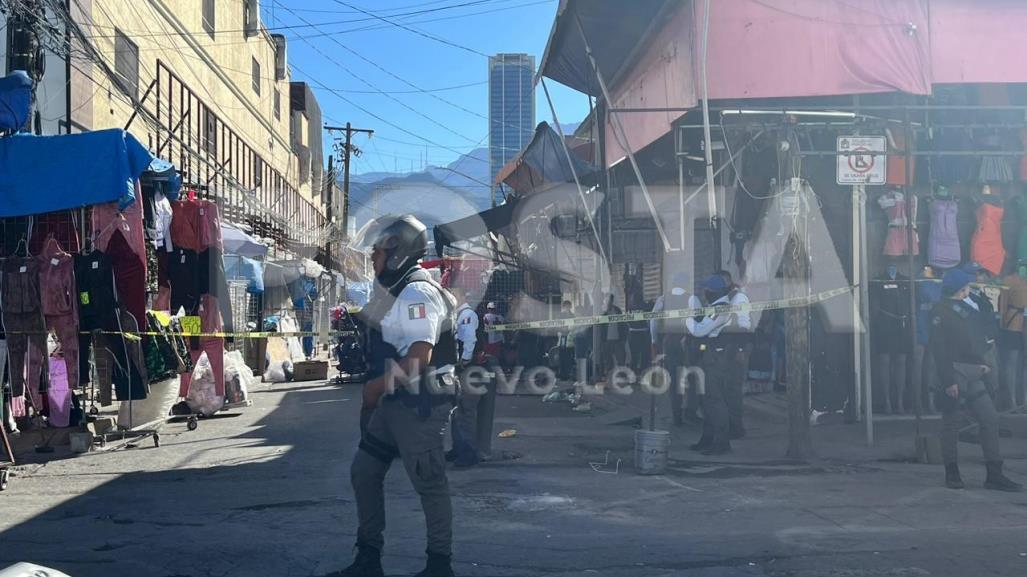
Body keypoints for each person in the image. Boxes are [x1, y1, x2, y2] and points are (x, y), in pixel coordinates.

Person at [337, 214, 459, 577]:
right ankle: (368, 559)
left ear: (397, 253)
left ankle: (439, 565)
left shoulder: (416, 292)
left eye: (377, 251)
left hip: (419, 403)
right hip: (395, 400)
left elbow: (418, 359)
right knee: (364, 471)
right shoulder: (395, 289)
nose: (372, 257)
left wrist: (373, 391)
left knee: (428, 482)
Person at [930, 268, 1022, 492]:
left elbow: (975, 339)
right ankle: (952, 471)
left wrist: (983, 364)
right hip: (954, 372)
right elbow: (939, 349)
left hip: (973, 371)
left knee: (989, 418)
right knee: (951, 421)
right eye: (966, 287)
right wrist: (948, 380)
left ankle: (994, 473)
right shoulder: (940, 311)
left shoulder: (966, 307)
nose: (969, 290)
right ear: (959, 289)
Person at [686, 275, 752, 455]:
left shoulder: (720, 308)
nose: (703, 293)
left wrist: (687, 319)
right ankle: (708, 438)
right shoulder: (718, 306)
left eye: (705, 290)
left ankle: (721, 443)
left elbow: (700, 331)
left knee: (715, 401)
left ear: (712, 292)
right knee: (708, 400)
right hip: (715, 356)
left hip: (716, 358)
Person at [651, 272, 695, 427]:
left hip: (669, 341)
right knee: (693, 377)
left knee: (675, 380)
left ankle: (677, 416)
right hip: (688, 341)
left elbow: (654, 321)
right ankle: (690, 411)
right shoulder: (691, 299)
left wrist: (654, 341)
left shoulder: (663, 299)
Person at [716, 270, 753, 439]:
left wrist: (739, 349)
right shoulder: (723, 298)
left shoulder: (738, 298)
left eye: (723, 280)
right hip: (725, 348)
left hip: (736, 348)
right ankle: (729, 425)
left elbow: (744, 325)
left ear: (729, 280)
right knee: (725, 389)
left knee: (733, 390)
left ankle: (736, 428)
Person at [448, 288, 481, 468]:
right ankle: (458, 448)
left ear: (460, 296)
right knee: (456, 411)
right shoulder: (458, 314)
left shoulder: (467, 314)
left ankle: (468, 454)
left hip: (468, 369)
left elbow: (469, 339)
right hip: (461, 369)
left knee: (465, 411)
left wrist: (464, 360)